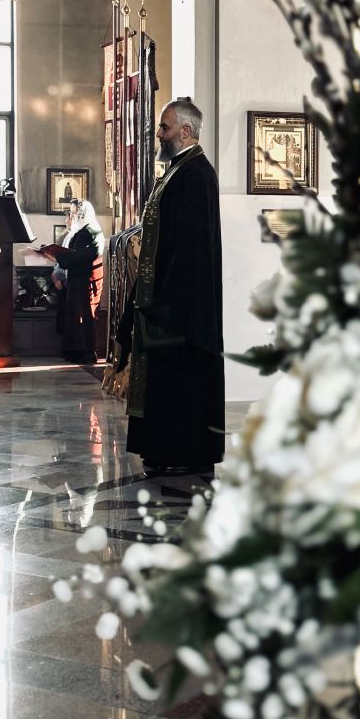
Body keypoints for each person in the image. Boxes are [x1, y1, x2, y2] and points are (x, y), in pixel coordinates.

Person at [125, 98, 225, 476]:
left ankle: (185, 453)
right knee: (164, 384)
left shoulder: (197, 174)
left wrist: (165, 301)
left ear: (185, 130)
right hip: (166, 298)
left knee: (182, 382)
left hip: (183, 306)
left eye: (165, 128)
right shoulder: (178, 171)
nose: (159, 134)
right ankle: (163, 451)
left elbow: (191, 249)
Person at [40, 200, 104, 364]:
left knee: (84, 318)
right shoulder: (83, 232)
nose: (72, 216)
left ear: (82, 214)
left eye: (74, 213)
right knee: (75, 318)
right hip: (78, 281)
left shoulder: (90, 231)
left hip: (85, 282)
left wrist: (57, 257)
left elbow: (80, 256)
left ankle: (86, 353)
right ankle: (75, 352)